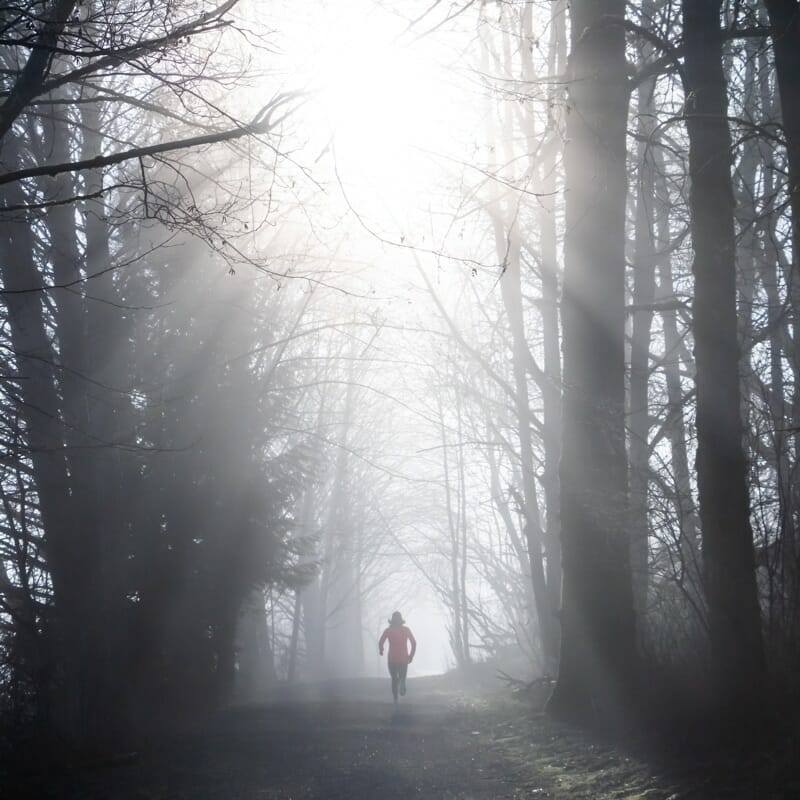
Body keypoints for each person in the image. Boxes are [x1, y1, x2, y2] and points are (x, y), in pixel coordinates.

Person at [378, 611, 416, 703]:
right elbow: (414, 643)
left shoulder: (388, 631)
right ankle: (402, 683)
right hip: (403, 659)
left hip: (392, 659)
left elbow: (381, 642)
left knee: (394, 679)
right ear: (401, 620)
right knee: (402, 676)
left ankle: (395, 698)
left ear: (392, 621)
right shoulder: (406, 630)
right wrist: (411, 655)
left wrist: (381, 650)